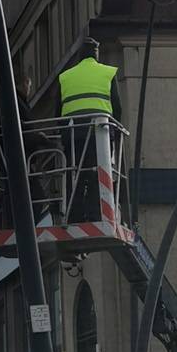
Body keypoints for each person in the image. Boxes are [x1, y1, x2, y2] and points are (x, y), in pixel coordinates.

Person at [55, 38, 122, 222]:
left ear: (79, 56)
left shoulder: (65, 76)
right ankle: (96, 213)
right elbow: (117, 108)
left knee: (74, 173)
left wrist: (64, 133)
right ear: (96, 54)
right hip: (100, 134)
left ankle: (74, 214)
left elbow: (57, 113)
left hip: (73, 134)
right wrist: (115, 133)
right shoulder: (107, 73)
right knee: (97, 173)